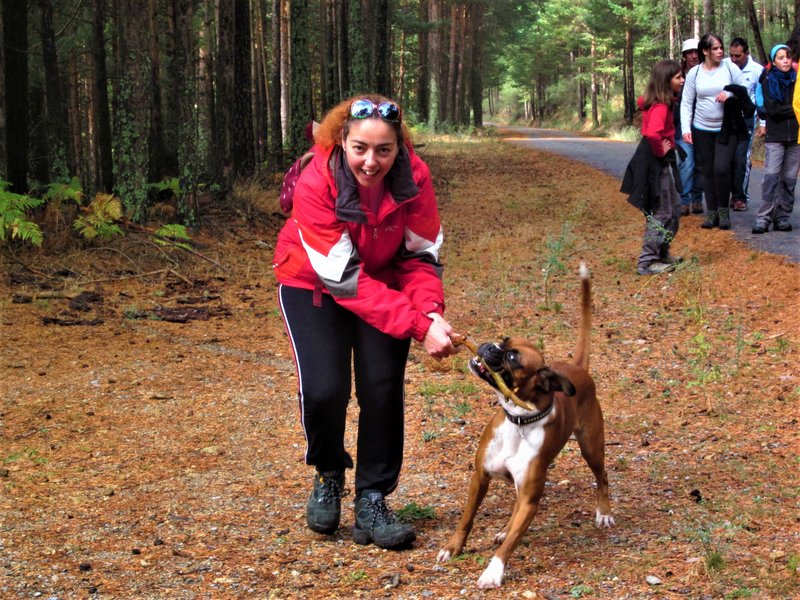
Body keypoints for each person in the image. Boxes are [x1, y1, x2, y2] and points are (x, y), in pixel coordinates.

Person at [272, 94, 458, 550]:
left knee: (381, 386)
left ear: (400, 148)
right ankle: (329, 470)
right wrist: (416, 325)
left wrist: (429, 310)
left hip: (384, 280)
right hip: (314, 282)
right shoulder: (318, 178)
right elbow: (343, 278)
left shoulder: (415, 177)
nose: (371, 162)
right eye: (360, 149)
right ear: (342, 141)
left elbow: (420, 255)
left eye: (383, 150)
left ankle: (372, 497)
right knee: (324, 389)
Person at [621, 59, 685, 275]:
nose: (682, 80)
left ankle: (662, 252)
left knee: (674, 209)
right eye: (678, 77)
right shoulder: (659, 106)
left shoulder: (662, 102)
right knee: (661, 212)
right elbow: (652, 134)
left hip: (659, 161)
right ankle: (646, 262)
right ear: (666, 81)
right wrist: (662, 149)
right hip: (652, 161)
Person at [680, 33, 743, 229]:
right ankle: (712, 214)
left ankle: (724, 213)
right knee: (707, 171)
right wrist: (685, 128)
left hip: (726, 128)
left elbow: (744, 90)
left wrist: (730, 92)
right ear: (705, 51)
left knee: (722, 169)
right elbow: (686, 102)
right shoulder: (695, 73)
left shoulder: (730, 68)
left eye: (720, 48)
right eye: (715, 48)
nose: (720, 51)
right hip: (701, 129)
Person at [753, 45, 798, 233]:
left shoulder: (797, 81)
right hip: (775, 136)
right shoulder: (768, 81)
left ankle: (782, 216)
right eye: (780, 58)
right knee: (771, 177)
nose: (785, 61)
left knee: (789, 179)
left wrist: (788, 111)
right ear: (774, 61)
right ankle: (763, 217)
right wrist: (795, 110)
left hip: (796, 137)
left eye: (788, 57)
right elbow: (773, 111)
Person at [727, 38, 763, 211]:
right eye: (731, 55)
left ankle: (740, 197)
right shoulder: (725, 65)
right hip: (726, 119)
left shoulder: (757, 70)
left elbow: (761, 98)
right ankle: (727, 194)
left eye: (738, 56)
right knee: (727, 159)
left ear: (747, 54)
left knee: (742, 158)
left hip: (747, 120)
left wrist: (763, 122)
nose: (734, 59)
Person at [674, 38, 705, 216]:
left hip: (702, 127)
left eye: (696, 52)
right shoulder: (678, 76)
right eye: (690, 53)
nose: (693, 56)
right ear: (684, 56)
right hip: (680, 128)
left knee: (700, 165)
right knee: (686, 164)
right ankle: (684, 200)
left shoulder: (706, 73)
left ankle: (697, 200)